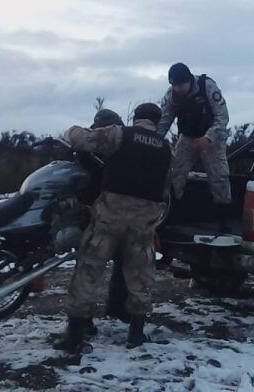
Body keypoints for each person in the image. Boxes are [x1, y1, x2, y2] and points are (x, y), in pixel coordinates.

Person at [54, 103, 172, 354]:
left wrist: (69, 130)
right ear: (157, 121)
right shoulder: (165, 148)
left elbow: (83, 140)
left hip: (110, 217)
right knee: (140, 277)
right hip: (143, 222)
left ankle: (75, 335)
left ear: (136, 118)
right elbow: (165, 189)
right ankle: (136, 335)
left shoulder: (122, 134)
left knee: (89, 271)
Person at [157, 62, 232, 231]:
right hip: (187, 136)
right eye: (175, 85)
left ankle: (224, 217)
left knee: (219, 174)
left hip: (212, 135)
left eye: (181, 84)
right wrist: (154, 141)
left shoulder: (207, 87)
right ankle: (174, 211)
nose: (178, 88)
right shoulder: (171, 95)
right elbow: (164, 121)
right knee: (176, 172)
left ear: (189, 80)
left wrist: (209, 138)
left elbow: (222, 116)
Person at [89, 108, 130, 322]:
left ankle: (114, 309)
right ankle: (84, 320)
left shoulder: (93, 148)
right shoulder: (89, 150)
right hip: (96, 214)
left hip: (107, 214)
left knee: (117, 263)